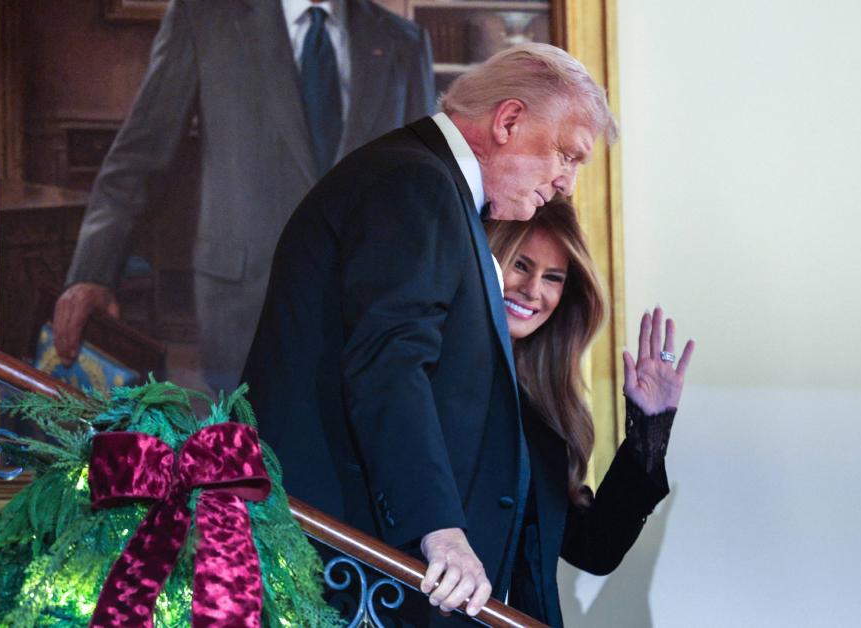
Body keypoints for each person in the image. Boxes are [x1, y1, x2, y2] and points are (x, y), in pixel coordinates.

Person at [238, 43, 617, 622]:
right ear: (509, 121)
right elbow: (388, 362)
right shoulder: (416, 181)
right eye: (566, 155)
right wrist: (439, 530)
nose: (566, 182)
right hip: (343, 565)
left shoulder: (428, 182)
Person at [53, 0, 435, 390]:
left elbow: (425, 189)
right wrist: (92, 273)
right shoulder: (204, 18)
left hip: (371, 310)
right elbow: (139, 158)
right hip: (246, 306)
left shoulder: (403, 41)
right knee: (250, 428)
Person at [485, 198, 694, 625]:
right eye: (521, 265)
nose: (533, 290)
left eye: (553, 277)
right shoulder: (438, 378)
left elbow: (595, 548)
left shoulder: (541, 414)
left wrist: (648, 428)